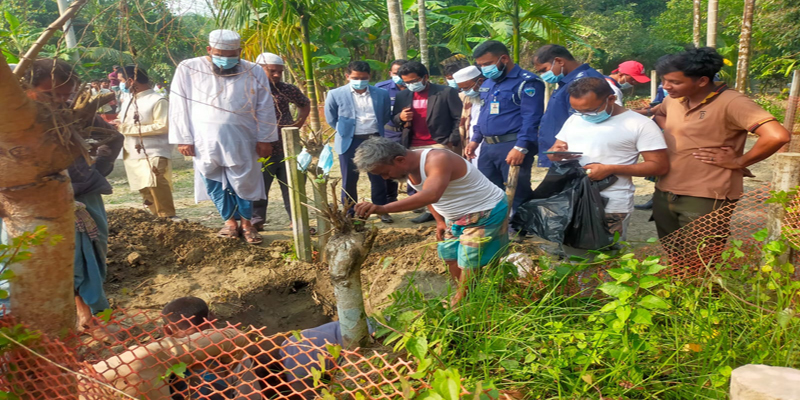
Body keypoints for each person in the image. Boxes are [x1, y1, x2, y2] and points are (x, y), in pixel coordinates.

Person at [647, 47, 790, 262]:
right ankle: (680, 295)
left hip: (706, 195)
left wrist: (739, 161)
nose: (666, 87)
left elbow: (777, 136)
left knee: (700, 262)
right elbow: (659, 113)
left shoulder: (732, 102)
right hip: (665, 190)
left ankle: (703, 296)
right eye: (664, 81)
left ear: (702, 81)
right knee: (675, 258)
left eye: (674, 82)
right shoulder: (674, 99)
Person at [24, 59, 123, 330]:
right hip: (36, 203)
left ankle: (91, 315)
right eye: (50, 93)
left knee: (91, 255)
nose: (59, 99)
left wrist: (96, 171)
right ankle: (80, 315)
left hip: (84, 195)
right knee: (59, 260)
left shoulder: (74, 113)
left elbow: (113, 138)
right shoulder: (16, 122)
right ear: (26, 88)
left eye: (66, 94)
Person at [353, 137, 509, 306]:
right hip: (456, 217)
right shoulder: (409, 170)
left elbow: (431, 194)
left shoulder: (438, 159)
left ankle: (463, 302)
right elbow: (425, 194)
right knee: (449, 256)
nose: (385, 178)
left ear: (400, 160)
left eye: (384, 172)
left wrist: (383, 208)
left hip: (484, 211)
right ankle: (468, 294)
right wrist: (439, 221)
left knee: (470, 261)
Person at [169, 29, 278, 245]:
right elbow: (178, 104)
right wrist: (183, 138)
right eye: (220, 54)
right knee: (212, 179)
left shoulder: (254, 70)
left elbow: (265, 107)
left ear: (239, 52)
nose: (226, 59)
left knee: (246, 181)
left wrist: (265, 138)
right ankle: (229, 222)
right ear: (209, 50)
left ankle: (247, 224)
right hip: (203, 139)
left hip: (244, 138)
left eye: (232, 55)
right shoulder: (189, 68)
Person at [546, 77, 669, 243]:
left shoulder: (639, 124)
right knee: (573, 257)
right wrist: (556, 153)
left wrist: (611, 169)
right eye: (578, 110)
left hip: (611, 205)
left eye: (591, 110)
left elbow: (659, 166)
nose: (584, 116)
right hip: (572, 199)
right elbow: (556, 148)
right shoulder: (575, 119)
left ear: (611, 99)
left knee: (607, 260)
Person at [464, 40, 545, 216]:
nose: (484, 68)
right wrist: (475, 140)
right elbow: (484, 114)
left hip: (511, 145)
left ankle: (520, 232)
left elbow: (531, 118)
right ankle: (495, 229)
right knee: (488, 190)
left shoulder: (527, 82)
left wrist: (521, 147)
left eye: (487, 64)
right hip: (488, 146)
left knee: (517, 191)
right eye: (480, 65)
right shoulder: (488, 83)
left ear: (504, 59)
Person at [392, 61, 464, 224]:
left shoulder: (445, 92)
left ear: (425, 77)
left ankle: (452, 213)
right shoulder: (402, 96)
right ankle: (431, 212)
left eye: (413, 81)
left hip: (439, 144)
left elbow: (458, 117)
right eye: (407, 82)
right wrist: (400, 118)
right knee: (420, 182)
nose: (411, 85)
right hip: (413, 145)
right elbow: (395, 119)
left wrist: (452, 140)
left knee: (444, 181)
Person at [324, 60, 393, 223]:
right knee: (349, 178)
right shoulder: (335, 94)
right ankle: (349, 212)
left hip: (374, 140)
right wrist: (346, 131)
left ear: (369, 76)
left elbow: (384, 116)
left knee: (378, 177)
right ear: (348, 76)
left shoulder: (380, 94)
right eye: (355, 77)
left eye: (364, 77)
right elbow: (331, 118)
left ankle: (381, 209)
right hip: (350, 141)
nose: (360, 80)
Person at [251, 52, 311, 231]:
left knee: (293, 186)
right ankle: (256, 221)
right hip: (260, 149)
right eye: (272, 71)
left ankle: (297, 221)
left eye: (280, 72)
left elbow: (304, 103)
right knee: (259, 187)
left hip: (287, 147)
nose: (277, 75)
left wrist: (298, 123)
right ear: (259, 69)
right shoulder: (250, 89)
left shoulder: (287, 89)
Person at [117, 65, 178, 220]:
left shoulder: (158, 100)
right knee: (142, 185)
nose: (121, 85)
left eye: (122, 81)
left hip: (154, 149)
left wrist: (127, 128)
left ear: (131, 81)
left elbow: (163, 125)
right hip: (132, 150)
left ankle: (168, 215)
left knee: (155, 180)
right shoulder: (128, 101)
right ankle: (155, 216)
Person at [532, 44, 604, 168]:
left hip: (577, 157)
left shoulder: (584, 81)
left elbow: (583, 121)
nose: (543, 75)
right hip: (563, 155)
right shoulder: (566, 82)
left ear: (559, 61)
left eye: (544, 70)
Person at [375, 59, 408, 205]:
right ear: (390, 73)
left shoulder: (416, 87)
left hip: (412, 134)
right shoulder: (381, 89)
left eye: (403, 73)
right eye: (396, 73)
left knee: (413, 166)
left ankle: (416, 200)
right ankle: (390, 200)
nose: (400, 76)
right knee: (390, 166)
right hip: (390, 134)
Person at [453, 66, 486, 167]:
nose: (465, 91)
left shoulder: (491, 96)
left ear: (480, 81)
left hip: (489, 142)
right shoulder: (466, 98)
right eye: (462, 89)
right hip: (472, 141)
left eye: (467, 88)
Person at [440, 54, 472, 156]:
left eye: (453, 78)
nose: (451, 81)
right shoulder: (445, 92)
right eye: (448, 78)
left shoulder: (470, 92)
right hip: (454, 134)